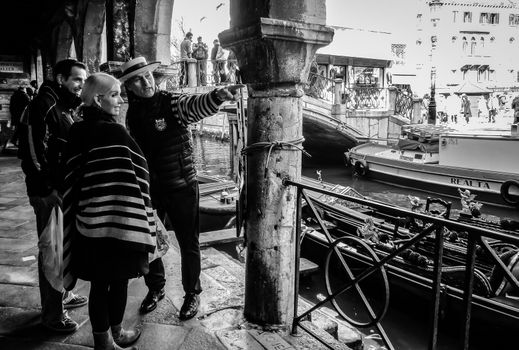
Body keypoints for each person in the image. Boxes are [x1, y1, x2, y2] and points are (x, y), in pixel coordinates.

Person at [119, 57, 242, 320]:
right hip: (151, 189)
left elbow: (194, 106)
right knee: (149, 242)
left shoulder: (171, 102)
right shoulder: (132, 113)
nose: (146, 81)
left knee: (189, 243)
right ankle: (156, 288)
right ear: (129, 86)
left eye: (149, 76)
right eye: (139, 79)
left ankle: (192, 294)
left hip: (182, 185)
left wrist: (218, 96)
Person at [62, 72, 155, 350]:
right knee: (119, 281)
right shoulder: (114, 131)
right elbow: (140, 173)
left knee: (100, 285)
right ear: (98, 98)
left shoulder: (77, 129)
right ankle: (115, 336)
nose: (120, 99)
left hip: (87, 223)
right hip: (119, 221)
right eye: (114, 94)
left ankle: (107, 339)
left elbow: (71, 176)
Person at [17, 58, 88, 333]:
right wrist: (48, 189)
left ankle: (64, 296)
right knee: (52, 250)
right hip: (49, 194)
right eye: (77, 80)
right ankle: (52, 315)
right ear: (61, 79)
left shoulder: (62, 106)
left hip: (61, 191)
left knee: (63, 246)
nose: (81, 85)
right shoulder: (43, 106)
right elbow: (33, 152)